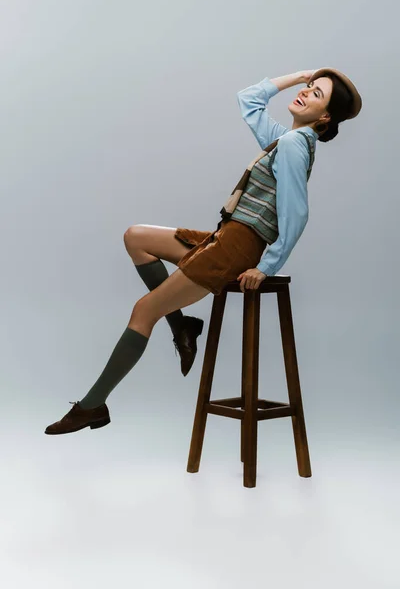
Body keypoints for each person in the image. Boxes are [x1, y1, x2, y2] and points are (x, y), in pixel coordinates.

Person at [45, 67, 362, 435]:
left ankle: (92, 406)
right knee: (136, 238)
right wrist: (300, 76)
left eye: (316, 94)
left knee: (143, 312)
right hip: (225, 237)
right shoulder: (285, 139)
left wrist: (268, 266)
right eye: (308, 87)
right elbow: (249, 100)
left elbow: (298, 213)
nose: (306, 92)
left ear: (325, 117)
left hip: (238, 246)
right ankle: (182, 328)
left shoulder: (292, 145)